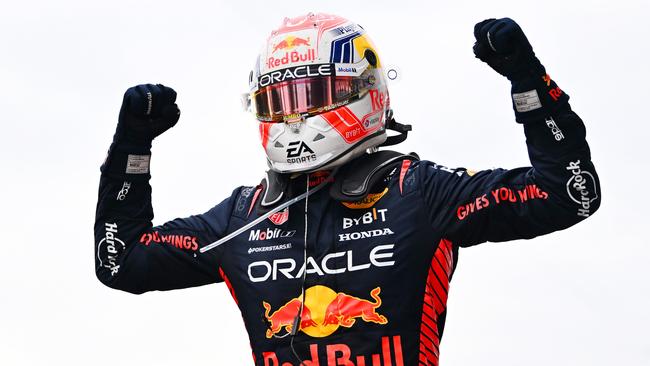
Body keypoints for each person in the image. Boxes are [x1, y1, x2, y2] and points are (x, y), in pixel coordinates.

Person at [94, 13, 601, 366]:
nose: (294, 117)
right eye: (280, 100)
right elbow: (119, 263)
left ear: (364, 90)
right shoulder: (243, 217)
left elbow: (570, 194)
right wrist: (131, 151)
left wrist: (527, 81)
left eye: (310, 94)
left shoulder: (417, 190)